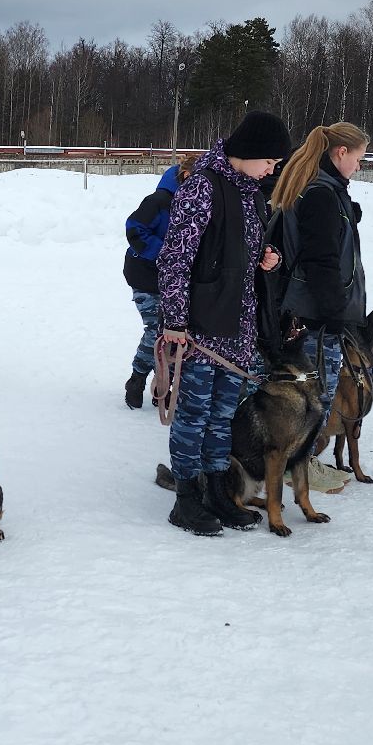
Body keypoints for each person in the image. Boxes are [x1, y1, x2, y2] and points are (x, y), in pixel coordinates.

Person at [155, 111, 291, 536]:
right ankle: (186, 498)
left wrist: (265, 259)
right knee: (193, 415)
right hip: (198, 330)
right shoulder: (202, 186)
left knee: (222, 415)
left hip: (237, 327)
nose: (272, 170)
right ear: (248, 152)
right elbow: (174, 259)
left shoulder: (252, 193)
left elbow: (241, 250)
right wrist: (175, 320)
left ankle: (217, 489)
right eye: (269, 161)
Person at [269, 121, 370, 406]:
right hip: (316, 318)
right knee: (315, 404)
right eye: (358, 159)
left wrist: (347, 213)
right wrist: (335, 312)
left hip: (308, 312)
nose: (358, 167)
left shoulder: (321, 187)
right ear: (341, 152)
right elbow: (320, 260)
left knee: (308, 402)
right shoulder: (321, 193)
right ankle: (305, 451)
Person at [121, 154, 195, 408]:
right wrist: (166, 254)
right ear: (186, 177)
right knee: (157, 330)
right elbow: (134, 229)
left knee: (176, 334)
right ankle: (138, 376)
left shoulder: (197, 206)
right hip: (145, 276)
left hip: (177, 280)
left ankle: (163, 384)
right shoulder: (158, 201)